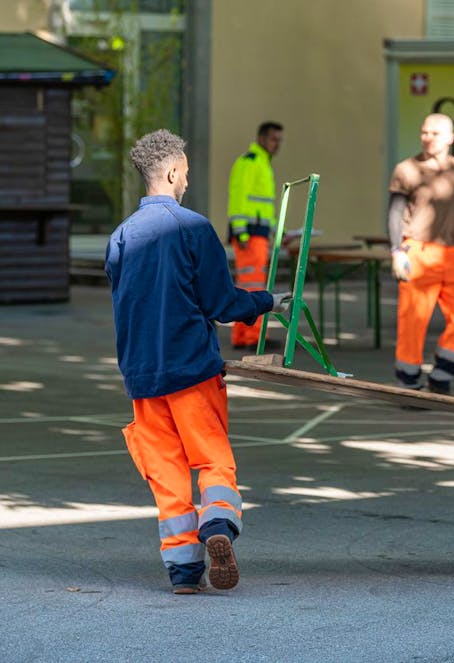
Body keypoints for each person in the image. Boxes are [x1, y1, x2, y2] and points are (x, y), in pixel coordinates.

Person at [105, 129, 289, 594]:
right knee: (212, 460)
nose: (187, 178)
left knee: (166, 476)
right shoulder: (192, 228)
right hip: (191, 368)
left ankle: (184, 573)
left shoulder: (121, 236)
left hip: (142, 374)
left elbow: (125, 302)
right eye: (185, 170)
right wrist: (269, 302)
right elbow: (222, 302)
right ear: (171, 171)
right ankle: (219, 528)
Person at [387, 113, 454, 395]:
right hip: (418, 252)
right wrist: (396, 251)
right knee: (412, 323)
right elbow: (395, 211)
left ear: (450, 138)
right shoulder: (407, 169)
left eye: (435, 133)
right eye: (424, 132)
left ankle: (441, 375)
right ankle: (409, 383)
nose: (428, 137)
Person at [227, 121, 283, 349]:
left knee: (246, 285)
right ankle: (254, 337)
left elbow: (262, 206)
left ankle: (241, 336)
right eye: (273, 139)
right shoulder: (251, 162)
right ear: (261, 138)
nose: (277, 144)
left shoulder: (260, 163)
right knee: (255, 285)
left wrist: (278, 230)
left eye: (279, 140)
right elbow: (239, 197)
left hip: (255, 233)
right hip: (250, 235)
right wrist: (240, 231)